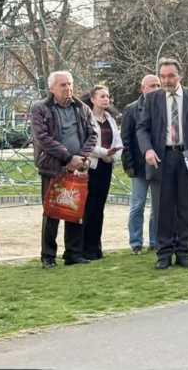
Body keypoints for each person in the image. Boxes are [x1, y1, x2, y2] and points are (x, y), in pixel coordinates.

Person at [136, 58, 188, 270]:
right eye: (163, 76)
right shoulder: (151, 99)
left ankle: (185, 251)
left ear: (180, 76)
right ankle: (164, 253)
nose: (167, 80)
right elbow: (142, 129)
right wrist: (147, 150)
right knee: (162, 207)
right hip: (161, 158)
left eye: (171, 76)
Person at [30, 70, 96, 268]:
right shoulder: (40, 108)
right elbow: (42, 138)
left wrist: (82, 157)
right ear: (52, 88)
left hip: (78, 168)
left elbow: (92, 134)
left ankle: (73, 254)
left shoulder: (82, 108)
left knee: (74, 211)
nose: (68, 88)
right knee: (52, 212)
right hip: (52, 167)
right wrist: (68, 157)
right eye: (63, 85)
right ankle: (48, 256)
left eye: (70, 84)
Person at [122, 75, 161, 254]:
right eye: (152, 85)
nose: (156, 88)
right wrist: (129, 165)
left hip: (159, 164)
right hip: (139, 165)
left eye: (158, 85)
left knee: (157, 206)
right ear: (143, 88)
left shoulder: (163, 107)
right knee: (137, 205)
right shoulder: (131, 110)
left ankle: (155, 240)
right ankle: (136, 242)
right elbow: (126, 140)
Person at [83, 85, 122, 260]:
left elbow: (118, 141)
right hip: (92, 166)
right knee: (89, 208)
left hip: (106, 166)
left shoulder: (110, 119)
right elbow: (87, 143)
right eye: (102, 96)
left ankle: (96, 247)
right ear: (93, 99)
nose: (106, 99)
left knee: (99, 208)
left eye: (108, 96)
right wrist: (104, 153)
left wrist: (113, 156)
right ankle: (85, 247)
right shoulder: (87, 118)